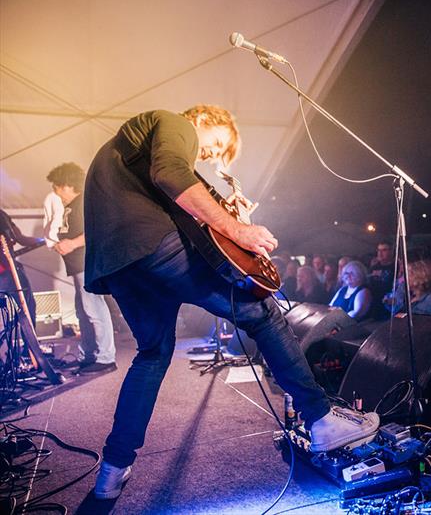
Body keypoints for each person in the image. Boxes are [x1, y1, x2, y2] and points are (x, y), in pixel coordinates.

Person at [83, 106, 378, 499]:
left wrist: (223, 210)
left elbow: (166, 190)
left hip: (118, 263)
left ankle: (113, 469)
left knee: (152, 355)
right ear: (203, 119)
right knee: (263, 312)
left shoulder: (129, 152)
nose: (211, 156)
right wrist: (238, 229)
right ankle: (321, 419)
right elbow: (170, 173)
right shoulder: (174, 122)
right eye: (216, 143)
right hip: (151, 243)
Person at [47, 162, 117, 374]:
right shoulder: (72, 205)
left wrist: (72, 243)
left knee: (94, 309)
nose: (56, 193)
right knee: (83, 311)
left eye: (58, 187)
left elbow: (99, 230)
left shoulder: (86, 201)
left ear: (68, 185)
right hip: (77, 265)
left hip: (87, 263)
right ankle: (89, 355)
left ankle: (105, 358)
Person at [0, 209, 40, 323]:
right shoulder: (2, 215)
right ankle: (29, 339)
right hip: (7, 271)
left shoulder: (2, 215)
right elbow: (21, 239)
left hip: (8, 270)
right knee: (27, 307)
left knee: (26, 306)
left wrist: (44, 240)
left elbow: (21, 239)